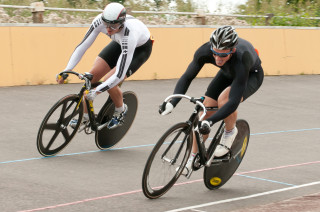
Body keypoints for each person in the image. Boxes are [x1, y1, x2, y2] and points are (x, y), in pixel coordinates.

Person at [160, 26, 264, 173]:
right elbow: (187, 77)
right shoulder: (205, 51)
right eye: (215, 53)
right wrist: (173, 103)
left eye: (223, 55)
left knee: (224, 101)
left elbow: (233, 101)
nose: (218, 58)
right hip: (227, 72)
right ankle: (192, 159)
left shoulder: (242, 57)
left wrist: (211, 122)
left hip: (251, 75)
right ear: (212, 48)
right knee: (202, 115)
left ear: (232, 50)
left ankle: (230, 132)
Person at [56, 2, 153, 129]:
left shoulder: (130, 34)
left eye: (113, 26)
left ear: (122, 23)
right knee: (91, 77)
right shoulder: (99, 21)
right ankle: (85, 118)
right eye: (106, 25)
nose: (108, 29)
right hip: (118, 43)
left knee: (109, 81)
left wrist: (97, 91)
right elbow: (82, 47)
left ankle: (121, 109)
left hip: (139, 50)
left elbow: (119, 74)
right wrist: (67, 70)